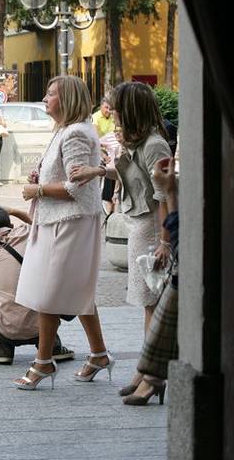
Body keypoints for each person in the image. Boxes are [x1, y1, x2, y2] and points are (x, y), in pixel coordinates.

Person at [70, 81, 173, 397]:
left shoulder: (155, 145)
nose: (110, 114)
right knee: (147, 303)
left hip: (151, 226)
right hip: (139, 223)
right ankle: (146, 371)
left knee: (151, 303)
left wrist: (165, 242)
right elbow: (128, 174)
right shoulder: (136, 142)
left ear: (129, 111)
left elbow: (164, 195)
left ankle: (152, 376)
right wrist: (96, 171)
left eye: (115, 109)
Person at [13, 75, 111, 390]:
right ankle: (98, 354)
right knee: (74, 290)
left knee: (50, 292)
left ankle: (44, 362)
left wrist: (37, 188)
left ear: (66, 99)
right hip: (60, 221)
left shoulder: (75, 135)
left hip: (68, 222)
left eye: (51, 93)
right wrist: (42, 174)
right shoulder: (68, 131)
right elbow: (69, 175)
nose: (45, 97)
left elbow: (75, 188)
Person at [0, 206, 73, 364]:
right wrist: (17, 212)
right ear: (10, 226)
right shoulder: (28, 232)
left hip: (7, 328)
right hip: (45, 324)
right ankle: (53, 346)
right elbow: (43, 225)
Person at [122, 155, 178, 406]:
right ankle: (149, 377)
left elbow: (175, 224)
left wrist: (169, 190)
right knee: (161, 305)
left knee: (166, 306)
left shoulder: (153, 146)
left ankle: (151, 378)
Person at [92, 98, 118, 213]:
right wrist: (103, 155)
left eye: (110, 108)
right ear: (101, 107)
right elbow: (95, 141)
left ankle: (114, 196)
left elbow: (116, 135)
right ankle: (105, 197)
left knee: (116, 161)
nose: (108, 110)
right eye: (106, 107)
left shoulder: (113, 117)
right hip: (99, 149)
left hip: (111, 148)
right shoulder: (95, 118)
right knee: (108, 164)